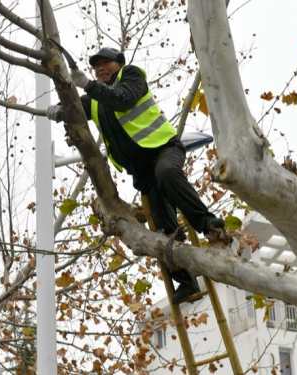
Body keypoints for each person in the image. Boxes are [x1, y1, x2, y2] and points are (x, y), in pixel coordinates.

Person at [46, 47, 226, 304]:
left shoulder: (131, 77)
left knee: (168, 175)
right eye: (96, 67)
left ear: (119, 64)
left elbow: (123, 99)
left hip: (162, 149)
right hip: (141, 170)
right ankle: (186, 283)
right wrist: (58, 110)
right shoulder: (95, 100)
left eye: (106, 63)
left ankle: (208, 224)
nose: (100, 69)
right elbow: (75, 109)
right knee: (164, 227)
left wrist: (87, 84)